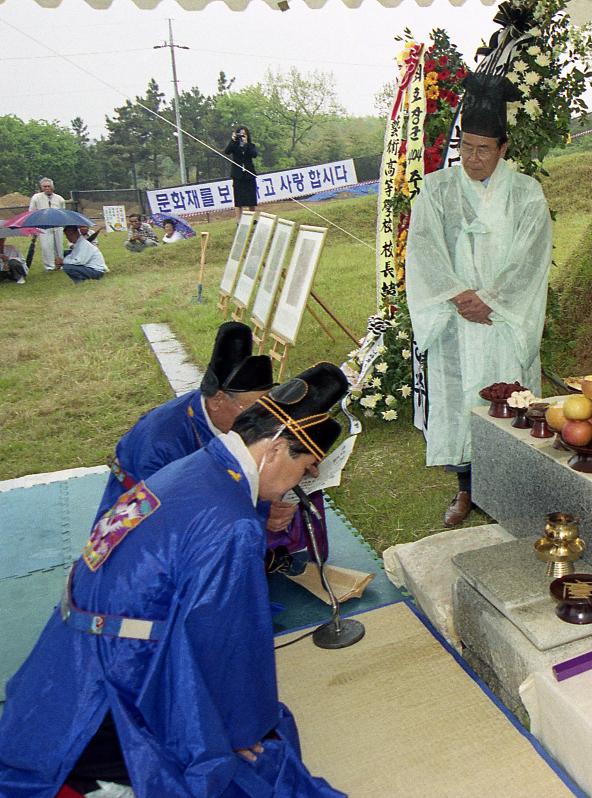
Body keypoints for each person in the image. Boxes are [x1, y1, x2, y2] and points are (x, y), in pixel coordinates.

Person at [0, 364, 349, 797]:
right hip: (121, 675)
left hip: (65, 658)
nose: (303, 480)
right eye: (307, 466)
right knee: (261, 759)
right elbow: (226, 637)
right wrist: (239, 729)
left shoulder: (194, 467)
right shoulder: (232, 523)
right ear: (276, 449)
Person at [404, 72, 552, 526]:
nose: (471, 157)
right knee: (461, 403)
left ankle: (510, 490)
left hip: (503, 318)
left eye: (483, 149)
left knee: (510, 398)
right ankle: (467, 490)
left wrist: (491, 298)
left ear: (503, 149)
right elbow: (424, 248)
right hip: (455, 319)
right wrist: (457, 295)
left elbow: (532, 256)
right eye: (465, 147)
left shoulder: (526, 193)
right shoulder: (437, 189)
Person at [97, 321, 274, 519]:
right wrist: (255, 514)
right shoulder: (160, 443)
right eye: (254, 408)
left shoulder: (230, 416)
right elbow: (167, 518)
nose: (260, 418)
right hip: (139, 522)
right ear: (218, 400)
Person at [28, 177, 65, 271]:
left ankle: (59, 264)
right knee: (46, 246)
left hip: (57, 225)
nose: (47, 188)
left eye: (49, 186)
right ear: (41, 187)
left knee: (59, 246)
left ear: (52, 187)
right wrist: (34, 227)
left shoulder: (59, 198)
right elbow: (32, 212)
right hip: (43, 225)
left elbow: (63, 212)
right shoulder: (36, 197)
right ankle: (49, 266)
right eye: (45, 186)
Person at [225, 127, 259, 211]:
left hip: (249, 174)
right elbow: (227, 151)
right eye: (240, 134)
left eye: (244, 134)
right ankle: (239, 221)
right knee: (238, 201)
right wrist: (233, 140)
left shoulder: (251, 145)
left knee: (251, 199)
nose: (242, 136)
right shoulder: (234, 145)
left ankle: (252, 220)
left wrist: (246, 143)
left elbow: (254, 154)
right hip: (238, 175)